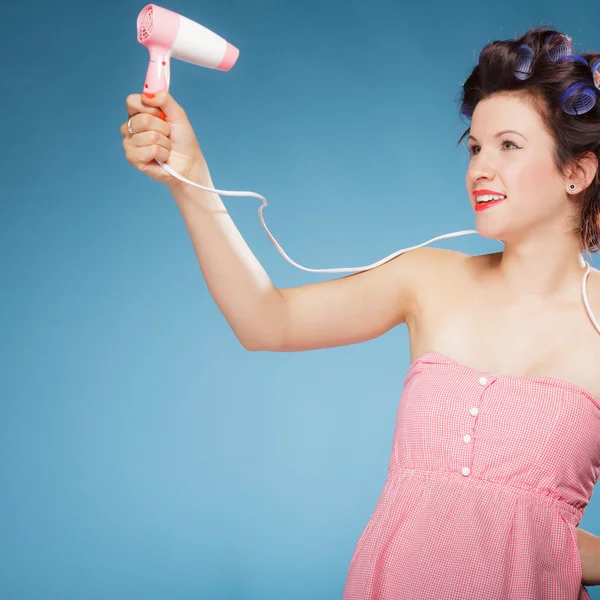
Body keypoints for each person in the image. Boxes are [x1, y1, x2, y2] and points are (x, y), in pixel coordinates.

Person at [121, 25, 600, 600]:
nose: (479, 169)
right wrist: (191, 177)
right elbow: (266, 320)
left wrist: (537, 543)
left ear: (577, 172)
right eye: (474, 147)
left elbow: (524, 523)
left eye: (508, 146)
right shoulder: (427, 279)